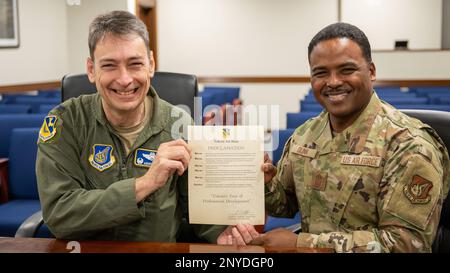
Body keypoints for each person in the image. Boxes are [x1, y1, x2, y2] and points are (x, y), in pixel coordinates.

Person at [36, 10, 250, 243]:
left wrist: (221, 231)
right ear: (91, 69)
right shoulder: (66, 123)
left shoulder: (179, 124)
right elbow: (60, 215)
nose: (125, 79)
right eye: (109, 66)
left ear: (151, 64)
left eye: (135, 64)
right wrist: (145, 184)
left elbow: (198, 210)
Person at [237, 22, 450, 252]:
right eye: (321, 73)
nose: (333, 81)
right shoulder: (305, 135)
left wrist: (302, 243)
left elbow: (406, 244)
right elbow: (285, 205)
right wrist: (266, 184)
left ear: (371, 71)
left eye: (346, 70)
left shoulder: (409, 146)